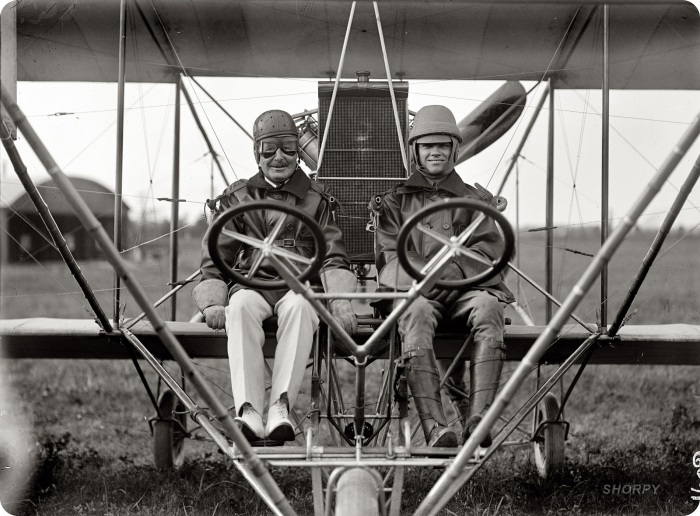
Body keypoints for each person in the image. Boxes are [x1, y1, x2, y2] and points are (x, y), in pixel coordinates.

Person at [193, 109, 357, 443]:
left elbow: (333, 254)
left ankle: (281, 408)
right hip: (253, 285)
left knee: (301, 308)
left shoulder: (316, 198)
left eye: (288, 148)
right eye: (269, 150)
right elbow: (215, 256)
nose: (278, 157)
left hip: (300, 287)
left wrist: (340, 300)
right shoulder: (238, 196)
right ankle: (249, 411)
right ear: (257, 153)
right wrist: (212, 302)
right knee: (239, 308)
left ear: (298, 152)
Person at [373, 105, 514, 448]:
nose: (434, 152)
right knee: (416, 313)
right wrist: (432, 278)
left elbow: (492, 251)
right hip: (418, 293)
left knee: (489, 308)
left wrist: (458, 273)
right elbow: (390, 255)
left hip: (467, 290)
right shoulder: (394, 202)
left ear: (454, 149)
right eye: (427, 145)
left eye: (442, 145)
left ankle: (479, 419)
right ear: (415, 150)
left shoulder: (474, 200)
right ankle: (436, 427)